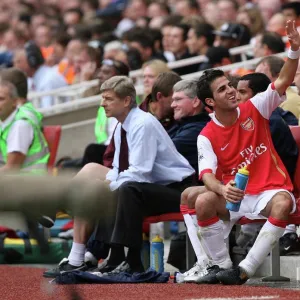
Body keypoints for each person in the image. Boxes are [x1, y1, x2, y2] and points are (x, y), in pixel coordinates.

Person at [43, 76, 195, 277]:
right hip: (150, 186)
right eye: (102, 98)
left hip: (177, 189)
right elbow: (117, 168)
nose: (102, 103)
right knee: (90, 171)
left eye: (108, 99)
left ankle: (119, 257)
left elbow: (141, 172)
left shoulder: (142, 124)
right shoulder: (123, 125)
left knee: (113, 189)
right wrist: (105, 183)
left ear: (126, 101)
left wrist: (105, 186)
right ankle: (76, 259)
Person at [191, 20, 300, 285]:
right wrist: (221, 189)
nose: (230, 91)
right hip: (236, 195)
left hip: (270, 189)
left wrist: (294, 50)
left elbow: (283, 79)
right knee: (203, 201)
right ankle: (222, 265)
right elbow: (206, 175)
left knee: (284, 203)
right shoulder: (206, 135)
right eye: (222, 90)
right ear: (209, 102)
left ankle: (244, 270)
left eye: (229, 85)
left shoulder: (256, 107)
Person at [236, 72, 300, 256]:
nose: (236, 97)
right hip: (258, 184)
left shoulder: (269, 122)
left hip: (276, 187)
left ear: (258, 96)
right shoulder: (248, 121)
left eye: (242, 92)